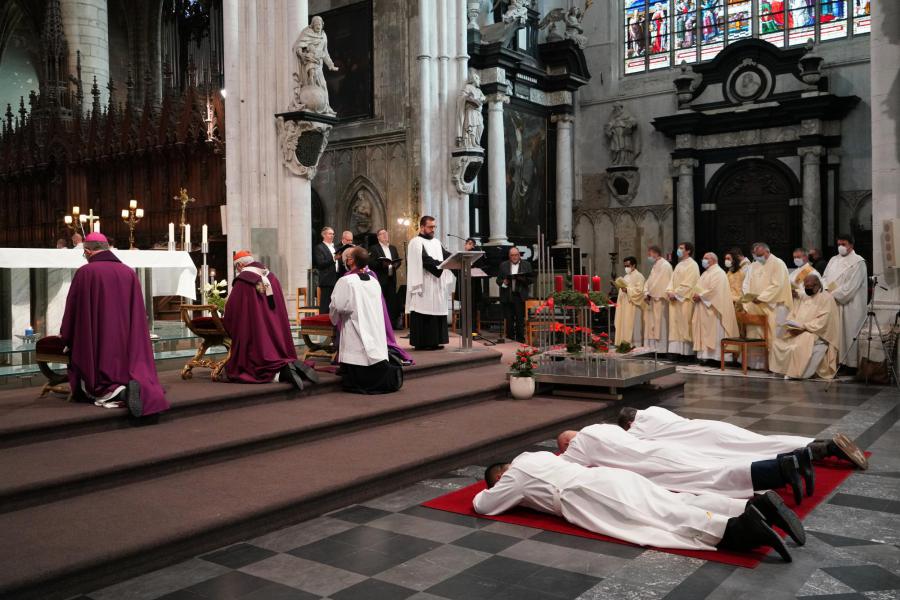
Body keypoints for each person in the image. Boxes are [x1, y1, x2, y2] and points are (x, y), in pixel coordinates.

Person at [474, 451, 794, 562]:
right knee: (673, 500)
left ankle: (736, 531)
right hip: (605, 478)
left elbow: (483, 505)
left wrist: (493, 487)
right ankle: (754, 506)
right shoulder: (539, 456)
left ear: (501, 474)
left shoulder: (514, 476)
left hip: (586, 494)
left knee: (658, 519)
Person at [557, 424, 811, 510]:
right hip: (661, 451)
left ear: (568, 441)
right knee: (717, 465)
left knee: (712, 477)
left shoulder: (580, 443)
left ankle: (779, 471)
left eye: (564, 445)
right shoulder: (604, 427)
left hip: (654, 465)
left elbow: (563, 465)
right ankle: (784, 463)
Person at [60, 232, 168, 418]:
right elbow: (138, 311)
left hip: (99, 341)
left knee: (96, 384)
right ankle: (131, 385)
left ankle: (121, 392)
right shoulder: (128, 271)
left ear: (87, 251)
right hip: (126, 341)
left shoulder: (86, 272)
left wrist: (66, 335)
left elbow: (73, 309)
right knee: (129, 369)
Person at [617, 405, 868, 470]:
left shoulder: (639, 427)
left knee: (760, 450)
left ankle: (824, 449)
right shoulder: (654, 411)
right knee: (762, 441)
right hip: (711, 428)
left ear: (629, 422)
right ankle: (820, 444)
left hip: (709, 440)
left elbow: (631, 443)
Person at [221, 251, 316, 389]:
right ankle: (289, 365)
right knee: (275, 349)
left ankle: (280, 373)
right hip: (275, 328)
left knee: (254, 360)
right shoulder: (270, 277)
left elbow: (233, 308)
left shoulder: (244, 280)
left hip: (257, 330)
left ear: (240, 265)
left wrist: (228, 320)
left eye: (237, 268)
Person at [330, 247, 403, 393]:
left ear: (351, 261)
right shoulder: (374, 281)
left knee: (358, 351)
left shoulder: (346, 281)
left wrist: (335, 316)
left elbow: (337, 306)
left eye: (349, 257)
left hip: (354, 325)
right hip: (373, 326)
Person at [771, 274, 841, 380]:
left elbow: (823, 320)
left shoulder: (826, 298)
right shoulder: (804, 295)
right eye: (805, 287)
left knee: (797, 347)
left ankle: (796, 373)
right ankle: (783, 370)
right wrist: (792, 325)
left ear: (817, 285)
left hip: (814, 332)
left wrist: (804, 327)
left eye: (809, 287)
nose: (806, 289)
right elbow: (794, 312)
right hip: (798, 330)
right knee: (778, 343)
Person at [406, 216, 455, 350]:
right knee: (425, 311)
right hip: (424, 284)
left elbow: (446, 255)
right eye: (430, 227)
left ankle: (435, 341)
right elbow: (425, 260)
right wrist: (441, 265)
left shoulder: (436, 242)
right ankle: (423, 343)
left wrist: (457, 259)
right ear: (422, 227)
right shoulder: (416, 242)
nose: (433, 229)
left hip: (437, 284)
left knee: (437, 310)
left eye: (434, 227)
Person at [743, 242, 793, 367]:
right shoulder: (753, 265)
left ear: (767, 251)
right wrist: (749, 296)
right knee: (755, 332)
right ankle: (756, 364)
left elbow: (777, 285)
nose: (757, 257)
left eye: (759, 254)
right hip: (755, 305)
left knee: (773, 336)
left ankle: (773, 365)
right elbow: (746, 283)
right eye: (754, 255)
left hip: (773, 305)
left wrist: (762, 297)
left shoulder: (778, 263)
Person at [822, 234, 867, 369]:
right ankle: (837, 362)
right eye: (839, 244)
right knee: (837, 334)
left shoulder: (858, 262)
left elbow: (851, 287)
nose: (840, 247)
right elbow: (825, 277)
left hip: (850, 305)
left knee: (849, 333)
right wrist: (825, 289)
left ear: (851, 245)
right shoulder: (833, 260)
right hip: (833, 303)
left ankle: (852, 365)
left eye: (844, 244)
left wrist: (833, 294)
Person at [692, 253, 738, 364]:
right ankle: (706, 356)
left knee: (715, 333)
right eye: (704, 258)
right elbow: (697, 287)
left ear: (713, 260)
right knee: (705, 333)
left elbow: (715, 291)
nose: (703, 260)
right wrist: (695, 294)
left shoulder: (719, 273)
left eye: (706, 258)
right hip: (703, 308)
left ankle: (717, 357)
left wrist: (701, 296)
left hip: (714, 309)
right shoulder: (705, 274)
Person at [666, 242, 700, 359]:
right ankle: (676, 352)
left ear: (688, 251)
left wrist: (676, 293)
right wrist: (669, 291)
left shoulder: (693, 265)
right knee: (675, 326)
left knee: (685, 325)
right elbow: (671, 280)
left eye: (681, 248)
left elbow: (689, 283)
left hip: (685, 300)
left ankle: (687, 353)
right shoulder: (679, 265)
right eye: (679, 248)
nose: (678, 250)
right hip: (675, 300)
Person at [497, 247, 533, 343]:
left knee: (520, 319)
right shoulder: (503, 265)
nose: (514, 257)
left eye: (516, 255)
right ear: (509, 256)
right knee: (509, 319)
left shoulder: (526, 265)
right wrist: (504, 282)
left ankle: (520, 340)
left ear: (519, 255)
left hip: (520, 296)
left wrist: (522, 279)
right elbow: (498, 281)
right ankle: (510, 339)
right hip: (508, 295)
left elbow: (531, 280)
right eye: (512, 255)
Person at [368, 228, 401, 328]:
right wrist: (382, 265)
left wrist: (396, 264)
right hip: (381, 279)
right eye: (382, 234)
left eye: (386, 233)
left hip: (391, 278)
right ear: (378, 237)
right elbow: (371, 263)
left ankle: (390, 324)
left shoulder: (393, 248)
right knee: (381, 302)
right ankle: (380, 324)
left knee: (391, 302)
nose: (385, 235)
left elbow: (398, 260)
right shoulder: (374, 248)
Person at [643, 245, 672, 353]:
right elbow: (649, 281)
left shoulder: (665, 265)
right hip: (652, 300)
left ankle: (661, 349)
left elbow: (661, 282)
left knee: (660, 325)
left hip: (660, 300)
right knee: (652, 325)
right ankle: (653, 348)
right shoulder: (656, 265)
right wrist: (646, 292)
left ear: (655, 253)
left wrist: (650, 293)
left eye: (649, 253)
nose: (648, 256)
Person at [613, 256, 645, 346]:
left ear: (633, 265)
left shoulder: (639, 276)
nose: (626, 268)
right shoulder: (626, 276)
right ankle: (624, 343)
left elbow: (640, 291)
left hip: (633, 305)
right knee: (624, 324)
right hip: (624, 305)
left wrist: (627, 290)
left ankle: (634, 344)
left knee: (633, 326)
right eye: (625, 266)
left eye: (628, 265)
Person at [313, 227, 340, 314]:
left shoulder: (335, 248)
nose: (332, 235)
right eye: (329, 233)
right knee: (325, 304)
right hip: (326, 279)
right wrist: (333, 258)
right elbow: (320, 264)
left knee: (336, 304)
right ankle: (323, 325)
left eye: (333, 234)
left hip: (336, 278)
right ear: (323, 235)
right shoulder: (319, 248)